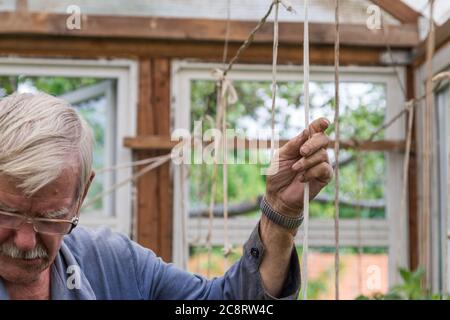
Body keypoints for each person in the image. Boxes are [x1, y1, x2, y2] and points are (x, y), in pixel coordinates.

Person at [0, 92, 333, 300]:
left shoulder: (112, 264)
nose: (26, 241)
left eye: (50, 218)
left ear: (82, 193)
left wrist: (279, 214)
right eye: (7, 213)